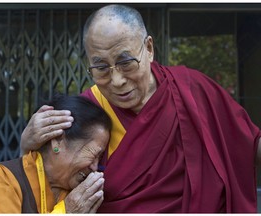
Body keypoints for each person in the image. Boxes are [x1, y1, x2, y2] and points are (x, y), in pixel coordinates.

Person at [20, 4, 261, 213]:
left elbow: (248, 145)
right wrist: (26, 147)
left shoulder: (193, 90)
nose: (117, 81)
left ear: (148, 48)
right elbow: (44, 187)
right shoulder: (83, 113)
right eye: (101, 68)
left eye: (125, 62)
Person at [0, 93, 112, 213]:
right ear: (57, 140)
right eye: (94, 154)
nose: (95, 167)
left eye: (99, 158)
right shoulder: (2, 179)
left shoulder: (82, 196)